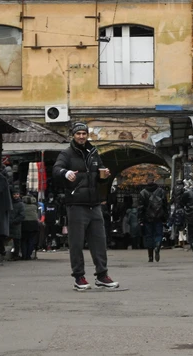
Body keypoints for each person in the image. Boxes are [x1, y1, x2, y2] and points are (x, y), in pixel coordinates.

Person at [52, 122, 119, 290]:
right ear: (73, 135)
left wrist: (104, 175)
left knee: (99, 242)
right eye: (78, 134)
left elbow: (99, 174)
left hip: (94, 204)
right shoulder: (66, 154)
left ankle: (102, 276)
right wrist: (65, 173)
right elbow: (56, 169)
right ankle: (79, 277)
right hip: (76, 205)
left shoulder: (93, 153)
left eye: (84, 133)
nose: (81, 136)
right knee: (76, 243)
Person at [138, 181, 168, 262]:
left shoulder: (143, 193)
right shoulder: (161, 191)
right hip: (159, 217)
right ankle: (157, 247)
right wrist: (165, 217)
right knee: (159, 234)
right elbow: (165, 205)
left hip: (147, 218)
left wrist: (140, 219)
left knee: (149, 236)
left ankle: (150, 257)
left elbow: (140, 207)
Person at [20, 188, 40, 260]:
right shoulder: (35, 206)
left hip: (24, 224)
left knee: (23, 240)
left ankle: (24, 255)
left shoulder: (22, 205)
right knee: (31, 240)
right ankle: (29, 255)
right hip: (34, 224)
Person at [9, 188, 24, 261]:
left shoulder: (20, 204)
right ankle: (13, 254)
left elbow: (22, 215)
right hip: (10, 224)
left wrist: (14, 221)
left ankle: (16, 255)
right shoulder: (10, 203)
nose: (16, 196)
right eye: (14, 194)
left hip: (16, 225)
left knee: (16, 241)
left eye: (17, 194)